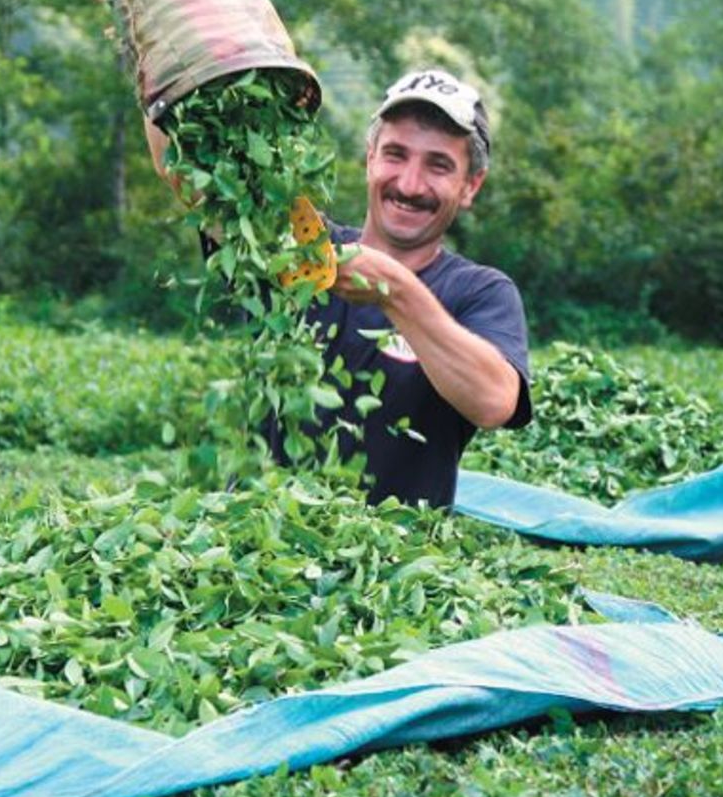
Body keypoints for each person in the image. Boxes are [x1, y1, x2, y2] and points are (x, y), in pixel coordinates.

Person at [161, 69, 533, 507]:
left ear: (470, 186)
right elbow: (186, 172)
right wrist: (161, 60)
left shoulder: (479, 292)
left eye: (438, 165)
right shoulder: (299, 249)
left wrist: (396, 292)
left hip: (390, 559)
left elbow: (494, 402)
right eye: (396, 154)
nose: (410, 185)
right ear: (370, 157)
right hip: (256, 541)